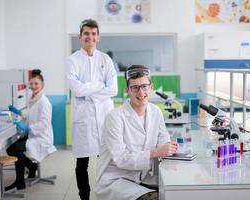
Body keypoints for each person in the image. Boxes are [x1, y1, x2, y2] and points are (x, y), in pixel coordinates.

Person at [96, 65, 178, 200]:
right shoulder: (115, 117)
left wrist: (169, 147)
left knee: (175, 192)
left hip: (142, 177)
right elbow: (121, 159)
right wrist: (157, 152)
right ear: (127, 90)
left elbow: (163, 139)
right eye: (135, 87)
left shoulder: (156, 111)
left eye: (144, 86)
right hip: (116, 180)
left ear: (151, 87)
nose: (141, 93)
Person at [66, 19, 118, 200]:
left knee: (107, 160)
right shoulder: (72, 60)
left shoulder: (106, 59)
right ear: (80, 36)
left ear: (98, 37)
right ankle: (84, 196)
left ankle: (106, 193)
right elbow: (77, 89)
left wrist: (88, 89)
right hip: (84, 118)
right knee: (82, 163)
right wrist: (98, 85)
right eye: (86, 33)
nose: (90, 37)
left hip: (104, 116)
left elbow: (113, 89)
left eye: (94, 34)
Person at [5, 69, 56, 191]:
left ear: (42, 85)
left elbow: (44, 124)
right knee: (11, 149)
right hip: (33, 134)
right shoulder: (34, 98)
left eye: (36, 84)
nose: (33, 86)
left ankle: (20, 181)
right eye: (31, 84)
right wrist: (18, 112)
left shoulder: (44, 102)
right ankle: (32, 168)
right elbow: (31, 113)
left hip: (41, 136)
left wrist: (27, 128)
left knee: (15, 149)